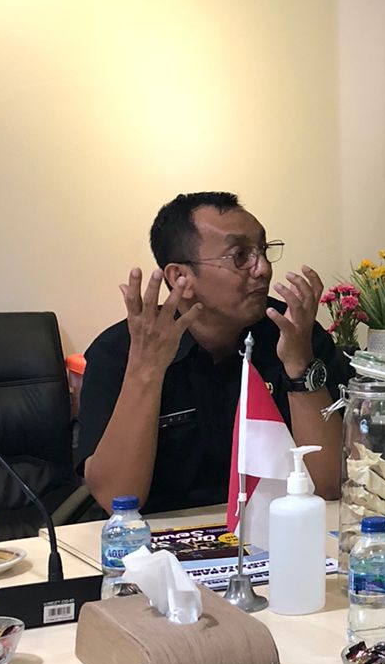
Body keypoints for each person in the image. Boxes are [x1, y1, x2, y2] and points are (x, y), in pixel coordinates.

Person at [78, 191, 343, 513]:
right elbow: (115, 497)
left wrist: (300, 365)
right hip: (160, 533)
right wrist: (146, 371)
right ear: (181, 277)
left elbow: (330, 485)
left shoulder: (291, 332)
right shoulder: (120, 350)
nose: (262, 269)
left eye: (262, 250)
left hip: (272, 523)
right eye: (240, 255)